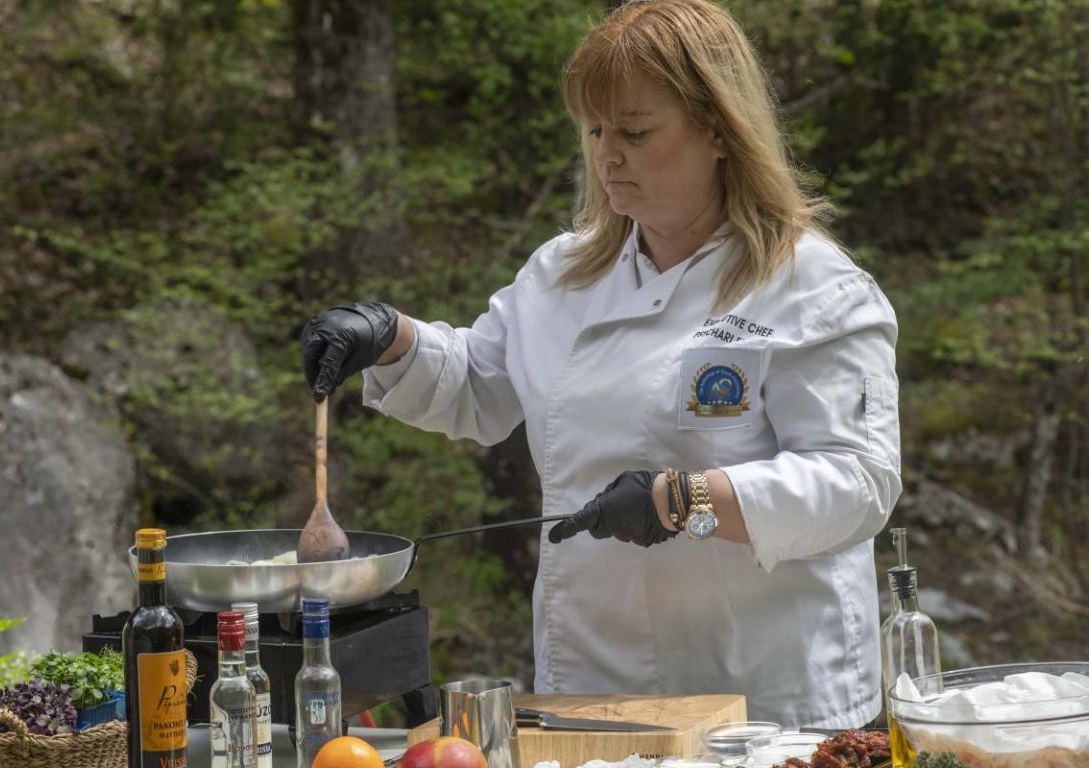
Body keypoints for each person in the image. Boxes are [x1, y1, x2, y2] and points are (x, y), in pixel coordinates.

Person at [300, 0, 900, 729]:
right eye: (594, 130)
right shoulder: (562, 273)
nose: (606, 155)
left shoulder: (812, 286)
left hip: (761, 691)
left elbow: (858, 483)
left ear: (719, 129)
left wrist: (687, 499)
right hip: (588, 681)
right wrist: (390, 336)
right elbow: (478, 389)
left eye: (634, 132)